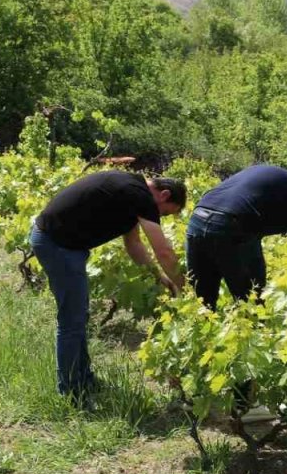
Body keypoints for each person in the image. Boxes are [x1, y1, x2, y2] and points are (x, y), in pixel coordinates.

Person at [30, 170, 187, 405]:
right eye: (164, 213)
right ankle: (72, 393)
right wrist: (185, 287)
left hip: (62, 244)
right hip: (58, 246)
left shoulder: (131, 190)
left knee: (78, 316)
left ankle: (84, 380)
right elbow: (163, 250)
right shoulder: (140, 195)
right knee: (72, 321)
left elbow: (133, 244)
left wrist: (159, 277)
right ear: (163, 194)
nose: (159, 217)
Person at [186, 165, 287, 311]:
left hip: (196, 222)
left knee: (203, 307)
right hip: (232, 227)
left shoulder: (278, 181)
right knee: (252, 305)